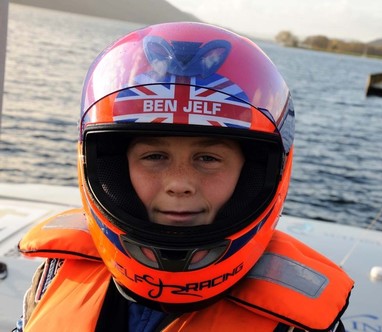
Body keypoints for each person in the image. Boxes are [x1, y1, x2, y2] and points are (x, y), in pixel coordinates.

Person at [15, 22, 353, 331]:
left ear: (257, 173)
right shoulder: (56, 272)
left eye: (208, 159)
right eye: (154, 157)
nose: (179, 183)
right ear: (109, 167)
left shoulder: (298, 326)